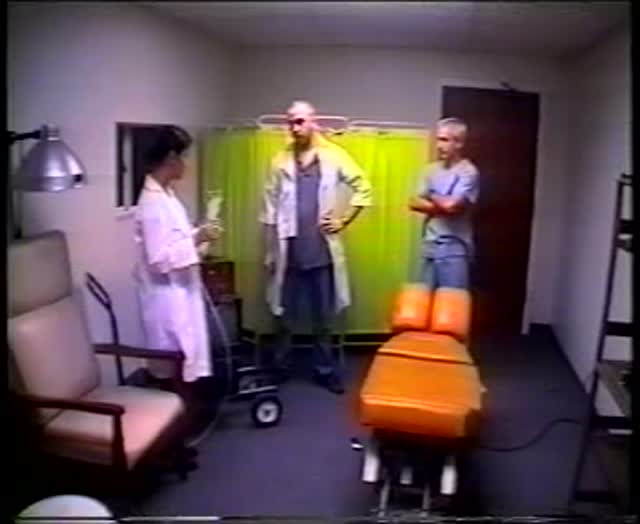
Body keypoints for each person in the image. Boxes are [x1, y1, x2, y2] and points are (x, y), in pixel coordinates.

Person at [260, 101, 373, 394]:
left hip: (322, 254)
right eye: (290, 122)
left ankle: (324, 370)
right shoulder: (279, 161)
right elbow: (269, 209)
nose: (294, 128)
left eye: (300, 121)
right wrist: (270, 252)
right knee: (283, 317)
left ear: (313, 122)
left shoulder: (334, 156)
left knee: (323, 319)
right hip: (289, 253)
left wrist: (344, 220)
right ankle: (280, 367)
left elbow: (363, 187)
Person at [133, 125, 220, 387]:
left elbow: (175, 241)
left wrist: (200, 235)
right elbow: (159, 259)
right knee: (174, 366)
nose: (186, 164)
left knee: (186, 361)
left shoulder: (167, 195)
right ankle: (173, 404)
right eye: (184, 157)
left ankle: (183, 401)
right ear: (171, 157)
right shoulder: (151, 204)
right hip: (167, 300)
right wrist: (196, 238)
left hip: (180, 292)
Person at [409, 117, 479, 290]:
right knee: (422, 300)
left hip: (454, 247)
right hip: (429, 245)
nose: (439, 145)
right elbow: (413, 202)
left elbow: (452, 206)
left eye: (445, 140)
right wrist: (443, 205)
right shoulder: (430, 170)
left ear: (459, 143)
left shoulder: (468, 172)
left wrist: (430, 195)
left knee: (452, 301)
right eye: (438, 140)